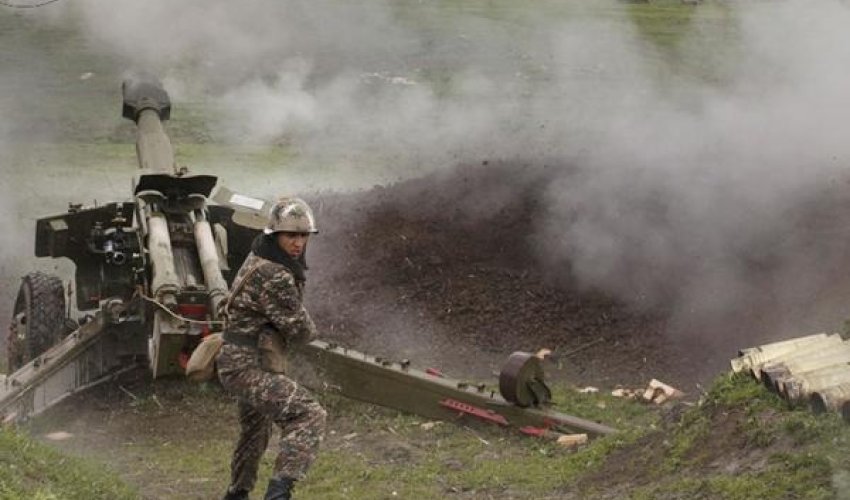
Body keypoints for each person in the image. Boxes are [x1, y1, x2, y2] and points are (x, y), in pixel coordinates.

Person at [218, 197, 327, 500]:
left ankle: (237, 494)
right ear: (274, 235)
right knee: (309, 414)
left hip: (239, 361)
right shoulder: (275, 274)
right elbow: (299, 329)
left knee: (255, 430)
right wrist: (314, 331)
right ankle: (279, 493)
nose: (298, 243)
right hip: (247, 366)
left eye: (303, 236)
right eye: (291, 235)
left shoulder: (258, 258)